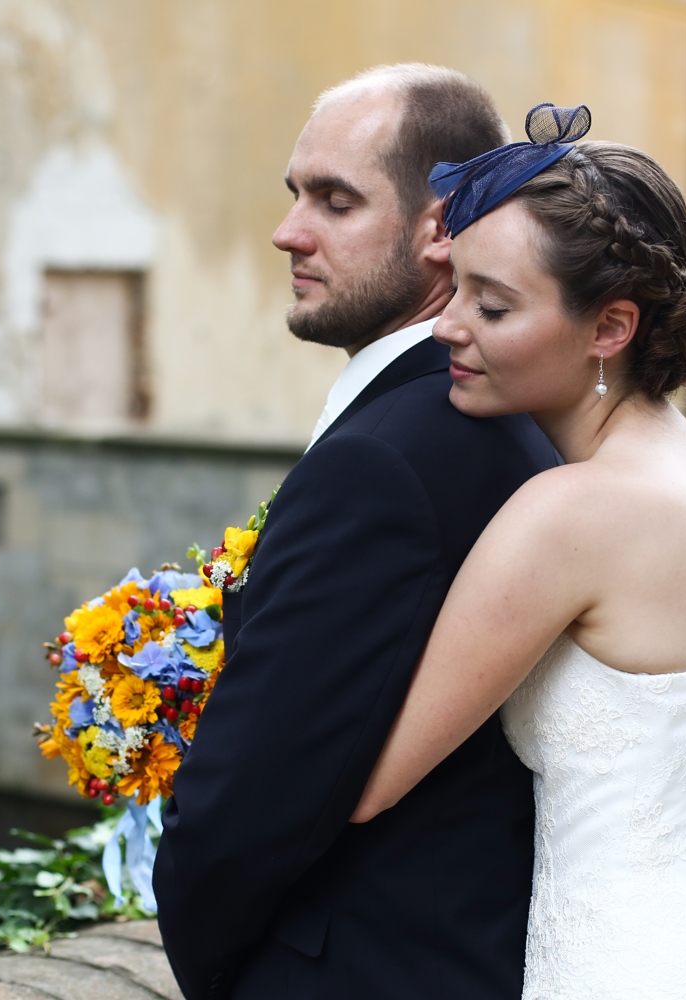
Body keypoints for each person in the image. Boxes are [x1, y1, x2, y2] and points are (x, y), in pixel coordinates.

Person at [351, 105, 686, 1000]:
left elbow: (365, 780)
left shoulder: (571, 512)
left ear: (610, 328)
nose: (448, 326)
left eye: (491, 305)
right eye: (454, 290)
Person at [152, 66, 560, 1000]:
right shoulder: (493, 417)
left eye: (336, 201)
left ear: (439, 228)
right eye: (295, 194)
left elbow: (255, 803)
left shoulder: (393, 454)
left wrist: (215, 968)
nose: (288, 231)